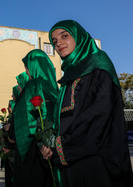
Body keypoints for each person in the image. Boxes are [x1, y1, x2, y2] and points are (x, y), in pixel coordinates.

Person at [41, 20, 133, 187]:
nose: (58, 43)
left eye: (64, 36)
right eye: (54, 41)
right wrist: (52, 144)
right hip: (73, 159)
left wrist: (60, 147)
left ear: (79, 37)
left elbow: (98, 116)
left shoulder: (98, 64)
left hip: (95, 161)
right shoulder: (71, 74)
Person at [13, 49, 59, 187]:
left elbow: (23, 118)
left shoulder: (33, 85)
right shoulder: (54, 87)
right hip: (52, 146)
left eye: (27, 67)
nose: (27, 72)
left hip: (33, 148)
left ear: (34, 66)